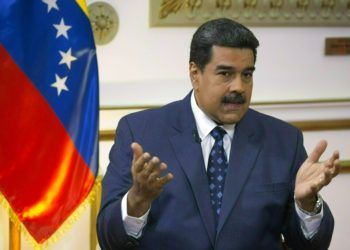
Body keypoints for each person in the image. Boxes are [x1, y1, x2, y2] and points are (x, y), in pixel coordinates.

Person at [97, 18, 340, 250]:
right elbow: (110, 240)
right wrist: (136, 202)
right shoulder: (140, 132)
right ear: (195, 74)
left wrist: (307, 205)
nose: (239, 87)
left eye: (247, 74)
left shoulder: (284, 141)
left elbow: (311, 246)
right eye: (225, 74)